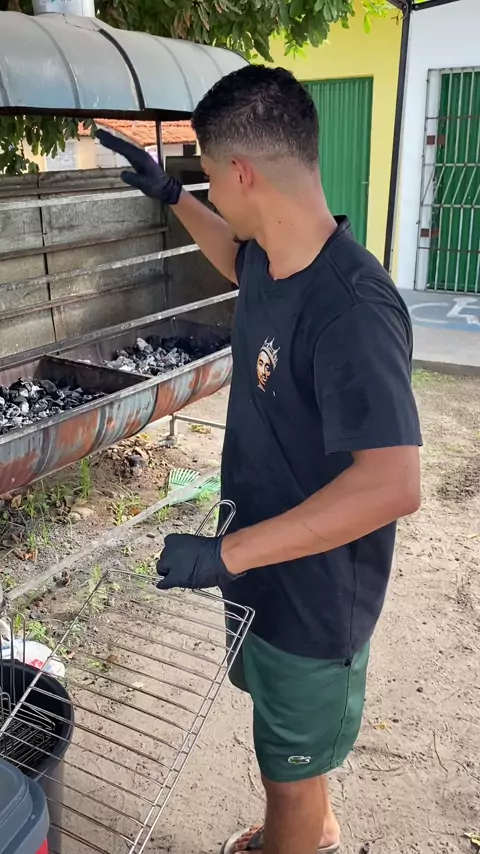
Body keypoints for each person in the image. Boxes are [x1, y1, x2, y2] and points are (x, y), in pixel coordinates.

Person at [97, 64, 422, 854]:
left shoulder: (351, 309)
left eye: (209, 175)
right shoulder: (275, 262)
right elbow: (231, 254)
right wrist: (173, 196)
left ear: (241, 172)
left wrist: (226, 555)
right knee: (284, 742)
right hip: (263, 572)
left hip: (312, 600)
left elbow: (392, 485)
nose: (209, 189)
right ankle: (317, 824)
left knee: (288, 771)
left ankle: (300, 833)